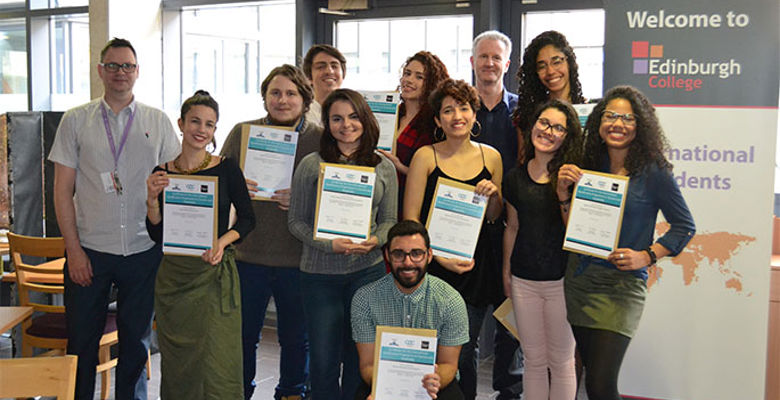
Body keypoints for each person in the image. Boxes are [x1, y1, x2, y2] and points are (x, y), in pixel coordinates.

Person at [49, 37, 180, 400]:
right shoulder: (76, 121)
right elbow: (62, 192)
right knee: (82, 343)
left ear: (137, 72)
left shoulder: (158, 121)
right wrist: (72, 251)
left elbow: (177, 186)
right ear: (100, 71)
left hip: (143, 249)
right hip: (90, 251)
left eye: (127, 66)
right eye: (113, 66)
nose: (120, 73)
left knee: (136, 345)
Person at [556, 86, 695, 400]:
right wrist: (563, 194)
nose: (617, 124)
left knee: (601, 386)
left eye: (627, 119)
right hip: (581, 280)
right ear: (599, 121)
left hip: (622, 287)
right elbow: (575, 230)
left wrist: (646, 256)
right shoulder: (587, 163)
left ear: (640, 125)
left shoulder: (654, 172)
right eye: (610, 116)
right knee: (590, 379)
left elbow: (685, 226)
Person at [288, 88, 398, 400]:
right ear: (327, 123)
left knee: (359, 358)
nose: (345, 124)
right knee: (323, 361)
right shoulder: (312, 164)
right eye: (337, 118)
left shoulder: (383, 167)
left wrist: (377, 240)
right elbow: (295, 222)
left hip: (367, 273)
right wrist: (329, 245)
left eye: (353, 116)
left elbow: (390, 220)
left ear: (366, 120)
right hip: (319, 277)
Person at [145, 90, 256, 398]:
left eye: (209, 124)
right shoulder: (162, 172)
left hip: (213, 275)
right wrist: (152, 200)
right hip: (174, 280)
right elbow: (157, 233)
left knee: (218, 361)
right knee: (179, 363)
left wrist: (223, 241)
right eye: (195, 121)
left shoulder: (227, 167)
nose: (201, 130)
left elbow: (247, 219)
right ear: (181, 123)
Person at [220, 64, 319, 400]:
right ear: (264, 97)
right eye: (275, 92)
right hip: (249, 254)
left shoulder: (320, 138)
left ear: (305, 100)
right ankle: (240, 392)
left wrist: (304, 197)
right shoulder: (242, 132)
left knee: (295, 337)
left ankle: (291, 393)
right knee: (244, 336)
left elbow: (336, 196)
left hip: (299, 258)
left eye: (291, 93)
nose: (282, 100)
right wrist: (235, 188)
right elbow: (218, 189)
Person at [404, 78, 504, 400]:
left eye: (463, 108)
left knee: (464, 350)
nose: (456, 115)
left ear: (474, 114)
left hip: (474, 268)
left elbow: (494, 217)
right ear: (437, 120)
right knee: (429, 347)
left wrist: (494, 197)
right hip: (432, 268)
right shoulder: (425, 157)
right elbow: (410, 221)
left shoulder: (492, 158)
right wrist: (437, 257)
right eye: (448, 110)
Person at [503, 99, 582, 400]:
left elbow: (578, 233)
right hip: (523, 280)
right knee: (533, 361)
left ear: (567, 136)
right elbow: (512, 227)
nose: (548, 131)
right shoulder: (515, 178)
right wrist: (506, 272)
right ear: (533, 124)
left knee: (562, 362)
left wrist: (563, 193)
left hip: (562, 280)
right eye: (544, 123)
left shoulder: (573, 178)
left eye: (558, 127)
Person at [351, 220, 469, 400]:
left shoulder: (451, 301)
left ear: (429, 255)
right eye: (399, 254)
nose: (408, 262)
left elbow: (448, 364)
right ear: (387, 256)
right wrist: (383, 388)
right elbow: (367, 365)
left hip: (434, 386)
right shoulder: (365, 299)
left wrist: (437, 379)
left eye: (416, 253)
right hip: (383, 383)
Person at [470, 30, 524, 400]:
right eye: (482, 56)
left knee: (511, 320)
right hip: (465, 227)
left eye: (496, 57)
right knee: (465, 321)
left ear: (507, 64)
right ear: (472, 62)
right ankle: (464, 390)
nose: (489, 63)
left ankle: (509, 391)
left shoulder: (522, 112)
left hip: (513, 227)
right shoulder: (457, 107)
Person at [377, 51, 449, 214]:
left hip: (413, 205)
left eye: (419, 77)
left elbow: (436, 179)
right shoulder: (389, 114)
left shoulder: (435, 125)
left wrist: (400, 167)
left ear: (431, 84)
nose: (409, 80)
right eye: (407, 73)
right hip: (381, 200)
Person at [513, 30, 586, 152]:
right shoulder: (528, 114)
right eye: (542, 66)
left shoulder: (589, 111)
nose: (550, 71)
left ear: (569, 62)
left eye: (556, 62)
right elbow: (523, 160)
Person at [302, 44, 346, 126]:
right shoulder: (302, 117)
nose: (329, 71)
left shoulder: (354, 114)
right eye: (321, 67)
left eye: (334, 66)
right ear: (309, 77)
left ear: (343, 74)